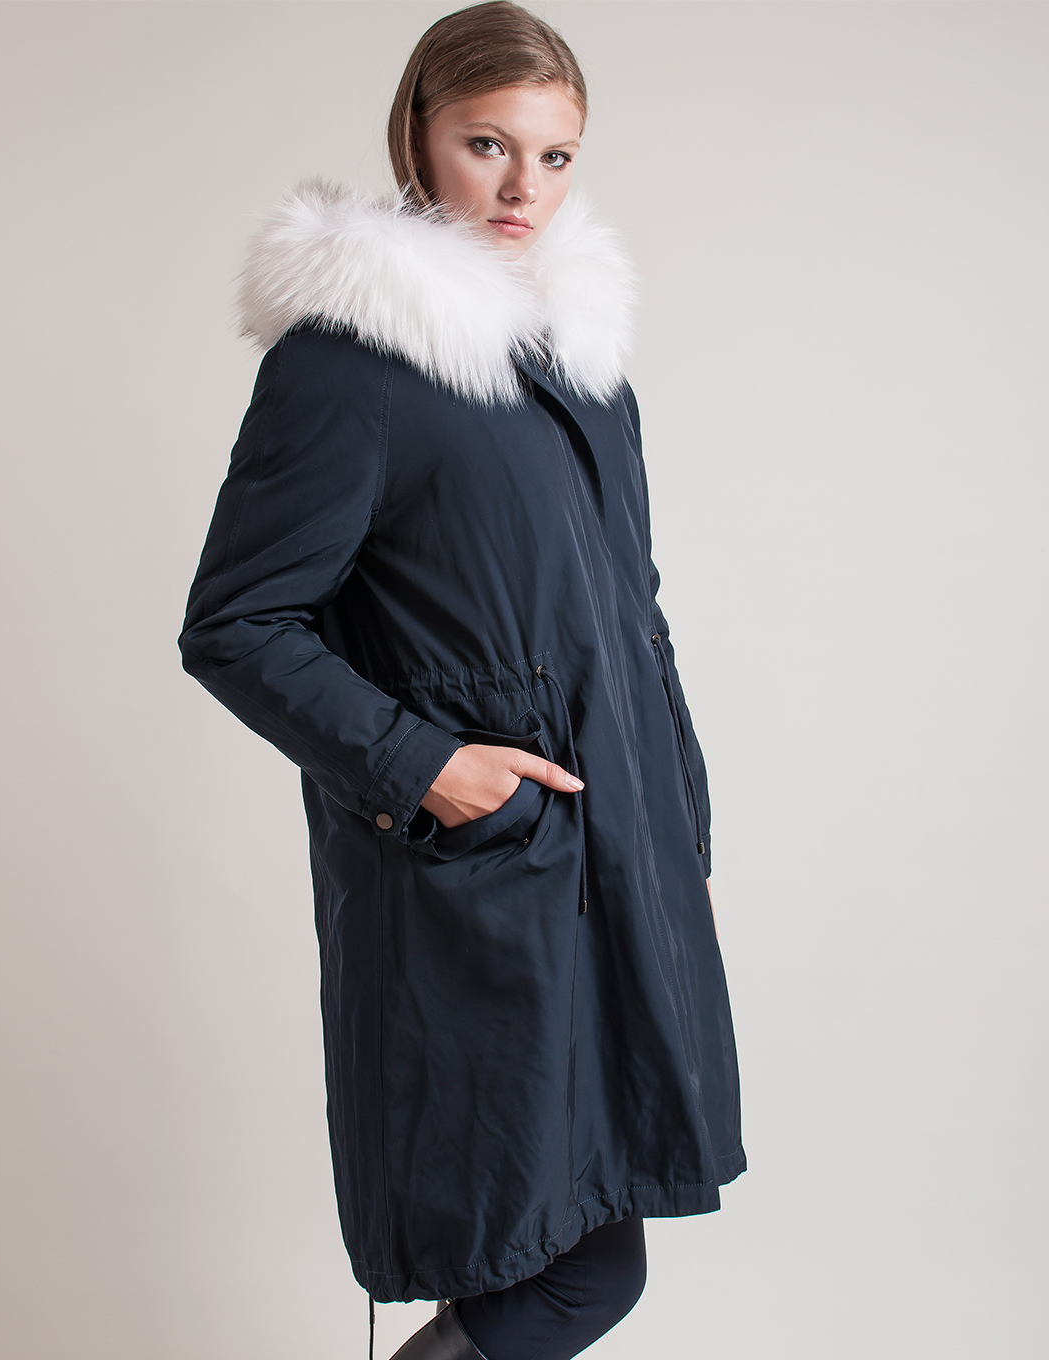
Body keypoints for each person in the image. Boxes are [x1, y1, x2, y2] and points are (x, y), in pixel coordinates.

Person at [179, 4, 745, 1356]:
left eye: (555, 156)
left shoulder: (583, 370)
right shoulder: (348, 365)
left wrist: (679, 799)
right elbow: (238, 623)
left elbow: (634, 610)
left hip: (617, 862)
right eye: (488, 144)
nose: (520, 189)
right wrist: (426, 766)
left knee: (582, 1254)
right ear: (418, 135)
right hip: (478, 880)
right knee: (541, 1266)